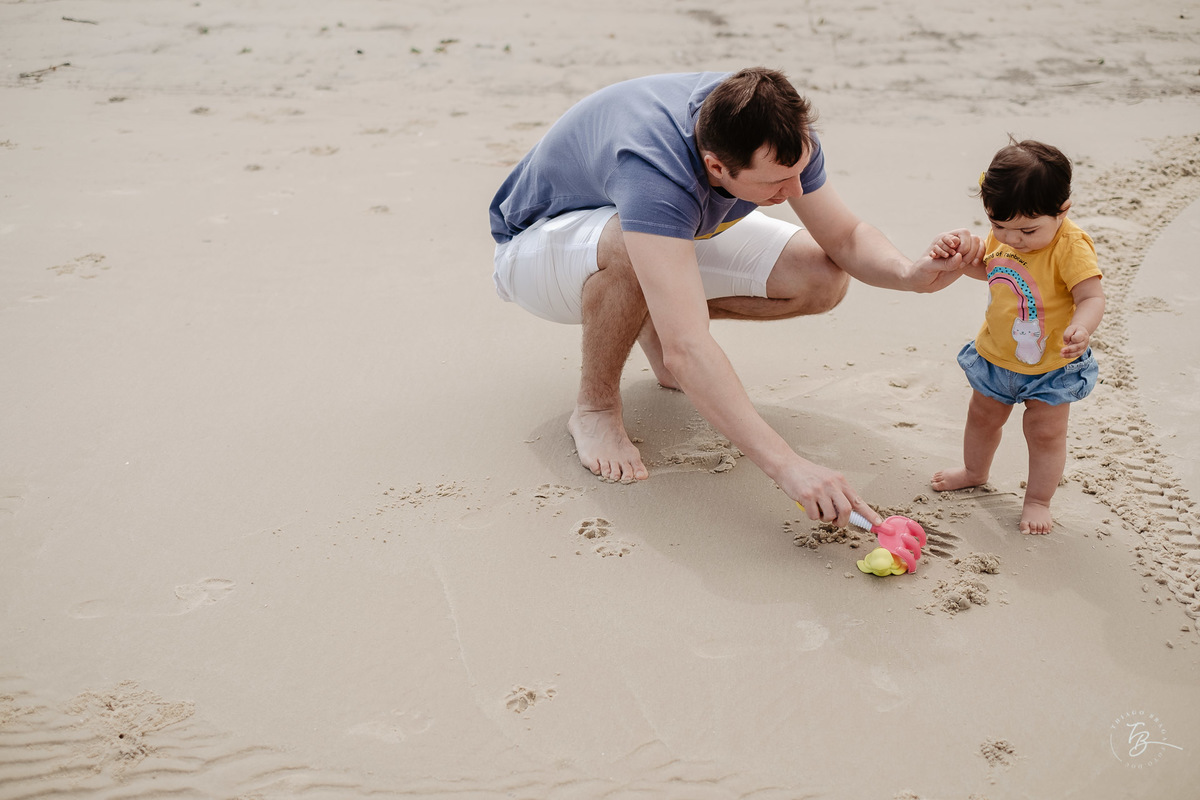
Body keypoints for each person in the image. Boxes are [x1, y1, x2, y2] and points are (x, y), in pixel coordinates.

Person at [489, 67, 981, 529]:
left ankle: (653, 312)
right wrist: (787, 466)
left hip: (651, 228)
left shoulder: (775, 130)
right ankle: (594, 409)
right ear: (716, 165)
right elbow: (688, 347)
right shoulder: (652, 170)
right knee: (629, 251)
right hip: (537, 250)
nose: (794, 191)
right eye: (775, 184)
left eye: (799, 172)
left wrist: (909, 273)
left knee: (821, 276)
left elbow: (846, 238)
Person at [929, 138, 1106, 534]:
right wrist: (958, 256)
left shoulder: (1071, 247)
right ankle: (974, 471)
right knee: (981, 418)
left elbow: (1091, 295)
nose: (1011, 238)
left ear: (1062, 210)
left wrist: (1083, 326)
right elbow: (991, 269)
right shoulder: (1005, 235)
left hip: (1052, 365)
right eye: (998, 225)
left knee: (1044, 433)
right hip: (995, 355)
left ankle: (1038, 500)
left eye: (1027, 230)